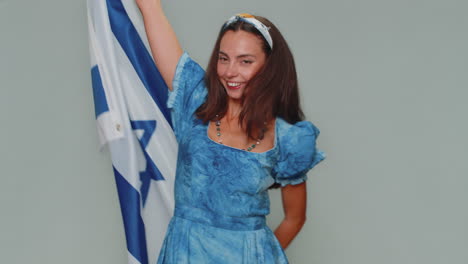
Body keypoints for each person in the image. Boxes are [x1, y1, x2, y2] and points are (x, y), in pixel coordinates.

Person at [136, 1, 325, 263]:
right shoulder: (195, 100)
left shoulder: (289, 139)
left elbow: (295, 218)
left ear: (269, 66)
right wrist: (149, 7)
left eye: (245, 61)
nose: (230, 72)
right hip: (185, 252)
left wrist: (260, 257)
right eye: (223, 59)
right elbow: (151, 10)